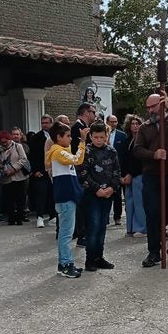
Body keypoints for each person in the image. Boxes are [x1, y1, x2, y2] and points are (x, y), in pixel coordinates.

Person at [134, 90, 168, 267]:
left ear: (162, 104)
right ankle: (153, 252)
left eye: (154, 106)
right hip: (152, 176)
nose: (150, 110)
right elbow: (137, 150)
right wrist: (153, 154)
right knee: (153, 215)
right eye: (148, 107)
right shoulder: (144, 127)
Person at [47, 121, 89, 278]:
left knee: (67, 232)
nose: (71, 139)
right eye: (68, 136)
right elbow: (77, 160)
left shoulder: (61, 150)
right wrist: (83, 142)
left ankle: (64, 263)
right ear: (59, 137)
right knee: (66, 234)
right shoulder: (58, 152)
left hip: (67, 196)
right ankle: (66, 264)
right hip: (65, 197)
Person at [79, 122, 121, 271]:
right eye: (95, 137)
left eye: (101, 137)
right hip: (92, 195)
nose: (98, 140)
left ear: (106, 136)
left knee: (102, 227)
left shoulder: (111, 151)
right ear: (90, 136)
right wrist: (96, 189)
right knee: (93, 227)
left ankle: (99, 257)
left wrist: (111, 188)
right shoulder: (86, 151)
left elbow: (116, 172)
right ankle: (90, 259)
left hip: (107, 194)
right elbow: (82, 173)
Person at [72, 102, 97, 245]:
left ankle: (86, 232)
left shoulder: (85, 128)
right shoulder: (77, 128)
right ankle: (82, 235)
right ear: (86, 113)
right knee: (82, 204)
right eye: (93, 112)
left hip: (88, 171)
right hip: (81, 171)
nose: (94, 115)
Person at [120, 114, 147, 238]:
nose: (135, 126)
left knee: (139, 202)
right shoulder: (127, 141)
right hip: (127, 176)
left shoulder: (143, 141)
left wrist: (131, 173)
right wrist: (123, 175)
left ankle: (141, 228)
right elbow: (123, 159)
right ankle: (130, 228)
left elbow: (140, 160)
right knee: (129, 202)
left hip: (138, 174)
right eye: (133, 124)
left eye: (137, 123)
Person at [28, 114, 55, 228]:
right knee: (41, 193)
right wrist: (35, 170)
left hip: (54, 170)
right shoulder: (36, 137)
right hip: (41, 170)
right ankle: (40, 216)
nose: (44, 125)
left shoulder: (56, 136)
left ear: (51, 123)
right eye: (43, 123)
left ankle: (53, 215)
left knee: (52, 193)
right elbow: (32, 155)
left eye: (46, 123)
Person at [0, 130, 29, 225]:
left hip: (19, 176)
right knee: (9, 199)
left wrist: (14, 168)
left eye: (5, 141)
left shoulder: (17, 146)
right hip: (7, 178)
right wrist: (3, 169)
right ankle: (11, 218)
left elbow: (23, 159)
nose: (4, 143)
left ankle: (20, 218)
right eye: (2, 142)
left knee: (20, 198)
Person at [107, 114, 128, 226]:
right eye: (111, 121)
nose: (114, 124)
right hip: (105, 168)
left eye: (115, 122)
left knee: (118, 195)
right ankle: (105, 218)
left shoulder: (122, 135)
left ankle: (117, 216)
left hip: (119, 168)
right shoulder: (102, 134)